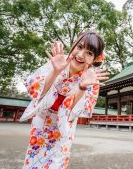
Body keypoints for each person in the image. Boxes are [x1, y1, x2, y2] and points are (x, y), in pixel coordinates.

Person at [20, 31, 109, 169]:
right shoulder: (57, 61)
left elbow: (72, 112)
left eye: (89, 53)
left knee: (57, 163)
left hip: (62, 131)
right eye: (79, 47)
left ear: (95, 59)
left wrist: (81, 87)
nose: (80, 55)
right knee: (33, 163)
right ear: (73, 46)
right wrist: (55, 71)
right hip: (42, 125)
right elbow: (37, 92)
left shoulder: (91, 80)